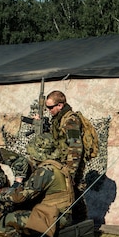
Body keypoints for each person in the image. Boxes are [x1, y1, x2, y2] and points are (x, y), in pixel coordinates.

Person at [0, 133, 75, 237]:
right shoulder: (57, 165)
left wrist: (3, 194)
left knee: (2, 220)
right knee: (16, 213)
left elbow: (21, 197)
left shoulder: (45, 171)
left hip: (56, 218)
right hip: (60, 213)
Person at [44, 90, 87, 221]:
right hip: (63, 164)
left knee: (75, 195)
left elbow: (76, 147)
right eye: (47, 107)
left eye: (51, 107)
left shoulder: (70, 120)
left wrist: (71, 173)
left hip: (71, 166)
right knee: (67, 196)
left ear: (60, 105)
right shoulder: (59, 119)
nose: (49, 110)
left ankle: (82, 226)